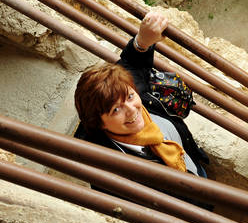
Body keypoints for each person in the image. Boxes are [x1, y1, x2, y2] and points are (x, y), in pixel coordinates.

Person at [73, 12, 209, 179]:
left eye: (130, 97)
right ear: (99, 123)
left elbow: (131, 64)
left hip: (193, 167)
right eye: (116, 110)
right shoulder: (112, 168)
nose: (131, 110)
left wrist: (142, 41)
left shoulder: (133, 94)